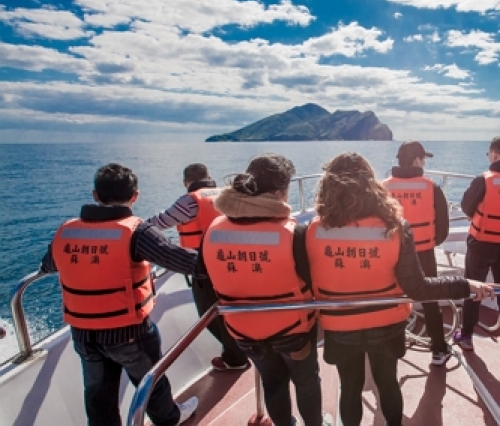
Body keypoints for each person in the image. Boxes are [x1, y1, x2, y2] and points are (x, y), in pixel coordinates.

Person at [305, 152, 494, 426]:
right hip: (386, 323)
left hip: (340, 326)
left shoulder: (311, 231)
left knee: (350, 388)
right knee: (388, 384)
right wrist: (467, 285)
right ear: (371, 184)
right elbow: (419, 288)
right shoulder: (396, 228)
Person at [39, 163, 199, 426]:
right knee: (151, 384)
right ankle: (170, 419)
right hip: (128, 332)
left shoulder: (66, 231)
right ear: (134, 196)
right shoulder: (135, 231)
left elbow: (49, 264)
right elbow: (180, 260)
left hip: (83, 333)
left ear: (95, 195)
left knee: (98, 397)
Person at [202, 154, 333, 426]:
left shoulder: (212, 231)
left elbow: (203, 281)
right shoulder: (294, 233)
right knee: (306, 381)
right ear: (278, 193)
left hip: (242, 330)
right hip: (293, 330)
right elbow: (313, 279)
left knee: (273, 382)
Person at [148, 163, 249, 371]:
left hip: (204, 266)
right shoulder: (225, 193)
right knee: (233, 307)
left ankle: (235, 357)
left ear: (186, 182)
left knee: (211, 312)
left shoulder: (189, 201)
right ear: (209, 176)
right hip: (233, 261)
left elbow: (159, 222)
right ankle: (244, 349)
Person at [383, 140, 451, 365]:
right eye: (423, 159)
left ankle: (388, 350)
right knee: (431, 300)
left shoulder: (382, 188)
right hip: (423, 253)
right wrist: (429, 241)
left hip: (391, 254)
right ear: (416, 160)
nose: (424, 163)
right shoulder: (431, 187)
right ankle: (439, 350)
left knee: (390, 298)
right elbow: (443, 226)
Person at [454, 136, 500, 351]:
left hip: (481, 244)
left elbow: (466, 207)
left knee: (474, 290)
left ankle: (466, 337)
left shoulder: (483, 180)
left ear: (494, 154)